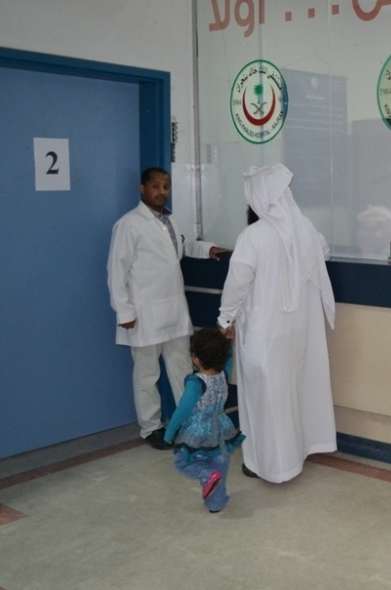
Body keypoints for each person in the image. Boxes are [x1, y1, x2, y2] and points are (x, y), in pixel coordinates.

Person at [217, 164, 338, 484]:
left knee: (265, 400)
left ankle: (267, 465)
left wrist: (225, 318)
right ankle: (296, 454)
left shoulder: (252, 236)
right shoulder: (305, 229)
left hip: (264, 333)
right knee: (294, 391)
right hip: (298, 332)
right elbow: (324, 253)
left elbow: (237, 283)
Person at [107, 167, 229, 450]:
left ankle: (191, 425)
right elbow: (116, 271)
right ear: (142, 188)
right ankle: (151, 428)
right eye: (155, 186)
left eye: (166, 186)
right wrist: (124, 311)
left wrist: (207, 249)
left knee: (183, 370)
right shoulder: (129, 224)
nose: (161, 191)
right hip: (143, 313)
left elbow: (182, 247)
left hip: (174, 310)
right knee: (147, 374)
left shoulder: (170, 220)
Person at [164, 328, 244, 513]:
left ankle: (206, 475)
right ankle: (216, 502)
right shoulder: (223, 374)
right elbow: (228, 361)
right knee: (220, 463)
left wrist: (170, 431)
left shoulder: (195, 383)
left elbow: (182, 410)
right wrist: (228, 344)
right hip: (221, 429)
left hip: (199, 432)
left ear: (196, 358)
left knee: (182, 462)